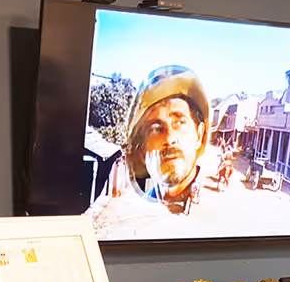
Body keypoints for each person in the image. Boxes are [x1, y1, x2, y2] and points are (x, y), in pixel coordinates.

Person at [88, 65, 210, 232]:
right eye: (156, 128)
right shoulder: (137, 206)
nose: (170, 139)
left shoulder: (217, 202)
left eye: (179, 122)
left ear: (199, 133)